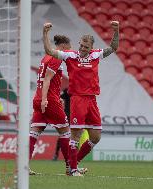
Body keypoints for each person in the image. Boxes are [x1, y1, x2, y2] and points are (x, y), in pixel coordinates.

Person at [43, 21, 119, 176]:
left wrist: (116, 31)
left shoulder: (96, 55)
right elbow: (50, 51)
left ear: (91, 47)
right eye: (81, 45)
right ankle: (72, 169)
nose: (83, 49)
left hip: (92, 100)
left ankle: (73, 164)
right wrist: (45, 33)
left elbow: (113, 48)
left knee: (96, 137)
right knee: (76, 135)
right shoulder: (70, 56)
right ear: (79, 44)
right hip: (77, 99)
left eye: (86, 47)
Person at [29, 35, 71, 175]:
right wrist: (46, 99)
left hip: (38, 98)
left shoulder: (46, 56)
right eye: (69, 47)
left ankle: (23, 167)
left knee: (34, 132)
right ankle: (70, 168)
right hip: (48, 100)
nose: (69, 50)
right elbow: (47, 80)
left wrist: (45, 33)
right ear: (63, 46)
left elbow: (49, 82)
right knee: (65, 132)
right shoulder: (57, 58)